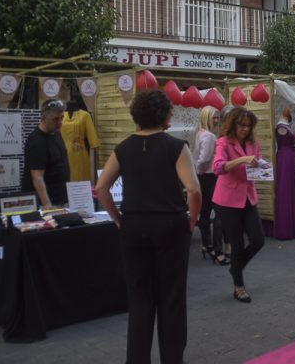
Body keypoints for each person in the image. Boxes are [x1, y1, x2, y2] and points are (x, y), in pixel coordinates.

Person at [95, 89, 201, 364]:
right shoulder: (177, 147)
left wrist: (118, 218)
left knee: (140, 300)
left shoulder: (123, 148)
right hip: (170, 226)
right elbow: (193, 189)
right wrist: (192, 220)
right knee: (172, 298)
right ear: (164, 114)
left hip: (134, 226)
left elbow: (101, 187)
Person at [212, 107, 266, 302]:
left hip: (248, 196)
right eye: (241, 125)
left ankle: (235, 268)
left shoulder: (254, 143)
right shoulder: (223, 142)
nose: (245, 129)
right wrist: (242, 160)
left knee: (258, 239)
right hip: (227, 200)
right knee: (236, 243)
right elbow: (217, 167)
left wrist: (263, 168)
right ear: (233, 124)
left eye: (248, 126)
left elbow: (255, 165)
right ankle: (239, 286)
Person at [194, 106, 229, 265]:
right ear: (206, 117)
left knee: (205, 213)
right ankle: (216, 249)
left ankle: (206, 244)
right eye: (213, 117)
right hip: (210, 177)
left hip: (203, 178)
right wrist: (199, 171)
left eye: (217, 117)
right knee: (220, 213)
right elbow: (204, 159)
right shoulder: (209, 136)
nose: (216, 120)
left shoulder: (201, 133)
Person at [23, 99, 70, 209]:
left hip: (60, 200)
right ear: (43, 118)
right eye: (55, 119)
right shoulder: (36, 141)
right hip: (45, 203)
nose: (60, 122)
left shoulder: (56, 133)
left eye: (62, 117)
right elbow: (37, 177)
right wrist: (46, 204)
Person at [273, 107, 295, 240]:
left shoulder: (285, 125)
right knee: (284, 189)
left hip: (290, 158)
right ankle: (285, 227)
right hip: (284, 158)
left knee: (292, 189)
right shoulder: (280, 127)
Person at [60, 100, 100, 182]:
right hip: (62, 153)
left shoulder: (85, 115)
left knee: (80, 178)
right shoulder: (61, 115)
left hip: (79, 152)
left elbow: (92, 138)